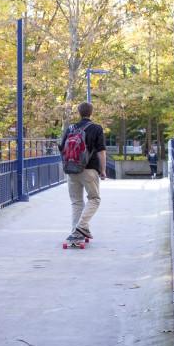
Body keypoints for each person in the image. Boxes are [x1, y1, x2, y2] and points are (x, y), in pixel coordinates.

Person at [58, 102, 107, 243]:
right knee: (94, 199)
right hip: (89, 169)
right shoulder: (96, 128)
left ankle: (76, 233)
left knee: (76, 202)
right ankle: (81, 226)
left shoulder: (71, 128)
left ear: (78, 113)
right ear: (91, 113)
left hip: (71, 169)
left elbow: (62, 149)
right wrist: (103, 170)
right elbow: (101, 151)